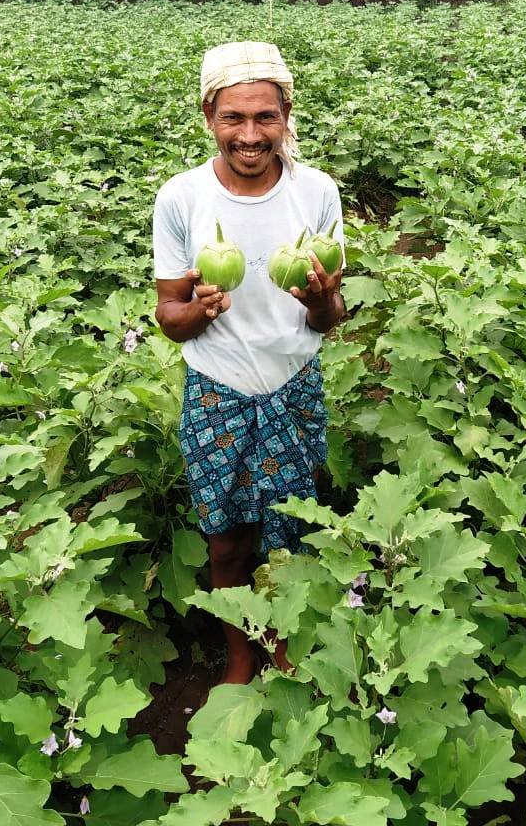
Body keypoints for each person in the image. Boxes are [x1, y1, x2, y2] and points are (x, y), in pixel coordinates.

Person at [152, 41, 346, 686]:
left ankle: (286, 645)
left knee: (290, 527)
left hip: (293, 383)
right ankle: (241, 653)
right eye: (234, 118)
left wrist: (320, 299)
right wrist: (200, 310)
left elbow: (329, 317)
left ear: (286, 114)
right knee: (228, 536)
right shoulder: (182, 199)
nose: (250, 134)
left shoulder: (316, 194)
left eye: (265, 117)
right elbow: (169, 318)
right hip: (218, 388)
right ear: (210, 117)